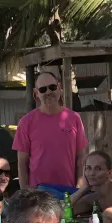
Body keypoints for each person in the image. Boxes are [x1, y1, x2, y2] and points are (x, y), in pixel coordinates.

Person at [14, 70, 88, 199]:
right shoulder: (26, 122)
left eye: (52, 87)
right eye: (42, 89)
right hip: (38, 195)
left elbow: (81, 158)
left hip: (68, 193)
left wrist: (78, 189)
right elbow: (22, 163)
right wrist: (26, 195)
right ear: (36, 93)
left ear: (59, 88)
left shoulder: (74, 118)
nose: (48, 92)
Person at [70, 151, 112, 216]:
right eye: (88, 168)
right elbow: (63, 212)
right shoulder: (91, 199)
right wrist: (84, 188)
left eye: (98, 169)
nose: (91, 173)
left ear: (110, 173)